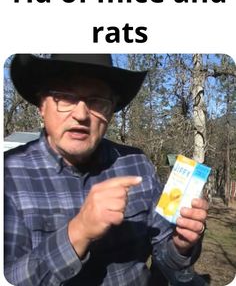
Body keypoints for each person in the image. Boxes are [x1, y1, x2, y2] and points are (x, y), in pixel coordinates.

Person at [4, 54, 208, 286]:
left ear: (110, 112)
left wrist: (181, 245)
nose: (81, 115)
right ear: (42, 106)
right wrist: (77, 232)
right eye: (66, 98)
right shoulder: (9, 175)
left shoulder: (136, 164)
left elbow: (166, 255)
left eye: (96, 101)